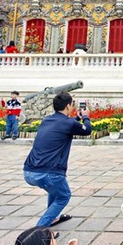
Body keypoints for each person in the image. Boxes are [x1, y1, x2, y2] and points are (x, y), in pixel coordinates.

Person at [23, 92, 92, 227]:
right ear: (67, 106)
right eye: (72, 104)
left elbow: (64, 127)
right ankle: (40, 230)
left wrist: (76, 120)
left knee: (54, 190)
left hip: (29, 171)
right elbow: (87, 130)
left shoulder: (46, 120)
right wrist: (85, 117)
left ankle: (53, 218)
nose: (72, 107)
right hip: (49, 173)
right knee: (63, 196)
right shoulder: (69, 123)